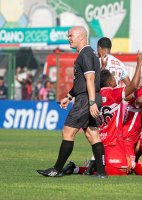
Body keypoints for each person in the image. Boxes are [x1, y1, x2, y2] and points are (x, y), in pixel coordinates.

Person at [37, 26, 107, 178]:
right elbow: (82, 81)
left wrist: (91, 102)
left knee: (67, 132)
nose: (68, 38)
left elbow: (90, 79)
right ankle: (101, 173)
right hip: (90, 97)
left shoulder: (85, 54)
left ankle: (57, 169)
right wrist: (69, 96)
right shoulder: (89, 54)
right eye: (68, 35)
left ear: (82, 36)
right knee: (92, 135)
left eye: (71, 35)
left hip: (86, 99)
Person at [62, 52, 142, 176]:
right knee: (122, 170)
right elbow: (133, 85)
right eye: (113, 78)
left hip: (99, 141)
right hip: (113, 143)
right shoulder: (114, 93)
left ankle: (76, 168)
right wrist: (139, 65)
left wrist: (103, 68)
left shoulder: (94, 95)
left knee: (109, 166)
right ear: (110, 83)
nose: (115, 79)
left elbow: (99, 80)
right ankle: (92, 168)